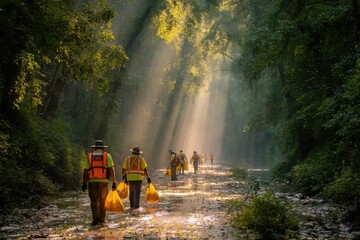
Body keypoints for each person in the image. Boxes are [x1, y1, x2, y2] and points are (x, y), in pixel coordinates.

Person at [82, 140, 116, 225]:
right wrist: (114, 182)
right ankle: (102, 219)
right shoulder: (107, 156)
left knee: (94, 200)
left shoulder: (89, 156)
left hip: (92, 181)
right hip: (103, 181)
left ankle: (96, 219)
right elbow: (111, 170)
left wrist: (84, 182)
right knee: (103, 200)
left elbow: (85, 170)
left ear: (94, 147)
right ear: (102, 148)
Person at [122, 146, 151, 210]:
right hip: (139, 178)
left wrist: (124, 177)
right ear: (138, 153)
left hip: (130, 178)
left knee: (131, 192)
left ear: (132, 152)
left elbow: (124, 169)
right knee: (137, 192)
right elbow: (145, 169)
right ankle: (136, 207)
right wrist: (148, 177)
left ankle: (132, 206)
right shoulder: (141, 159)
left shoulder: (127, 159)